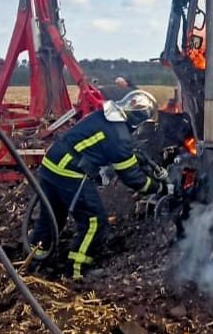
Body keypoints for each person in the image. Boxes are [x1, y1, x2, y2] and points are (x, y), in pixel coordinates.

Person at [30, 89, 165, 279]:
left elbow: (105, 147)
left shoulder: (103, 116)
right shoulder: (119, 136)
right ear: (138, 120)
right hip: (69, 172)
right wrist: (158, 187)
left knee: (51, 216)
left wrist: (136, 159)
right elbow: (132, 178)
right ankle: (75, 272)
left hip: (51, 165)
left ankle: (33, 263)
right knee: (94, 222)